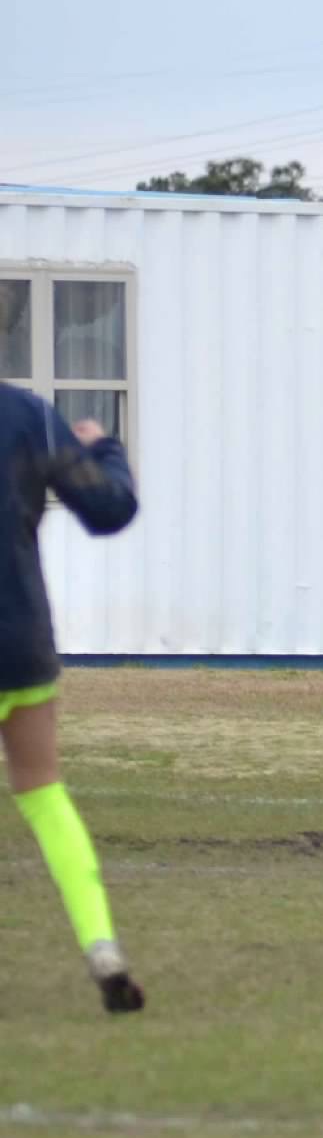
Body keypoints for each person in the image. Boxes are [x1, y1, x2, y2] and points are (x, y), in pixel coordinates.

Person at [2, 384, 144, 1011]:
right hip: (20, 639)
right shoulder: (30, 416)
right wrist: (103, 449)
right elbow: (108, 508)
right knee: (43, 794)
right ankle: (101, 946)